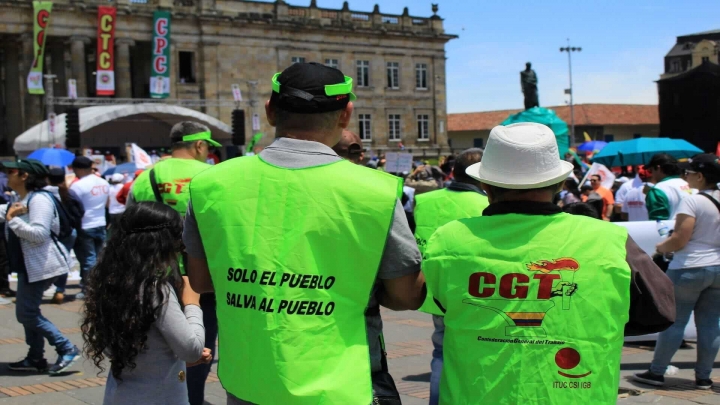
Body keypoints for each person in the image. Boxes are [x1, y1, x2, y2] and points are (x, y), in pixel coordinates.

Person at [184, 62, 425, 405]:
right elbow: (406, 297)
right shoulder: (375, 190)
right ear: (346, 115)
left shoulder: (210, 184)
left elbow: (203, 281)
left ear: (270, 111)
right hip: (343, 384)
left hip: (249, 380)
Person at [422, 123, 675, 404]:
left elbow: (434, 301)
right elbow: (661, 311)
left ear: (485, 186)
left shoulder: (450, 238)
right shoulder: (610, 240)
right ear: (558, 183)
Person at [82, 202, 211, 404]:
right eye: (179, 241)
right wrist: (192, 303)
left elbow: (128, 349)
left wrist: (173, 358)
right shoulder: (156, 289)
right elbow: (191, 350)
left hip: (120, 395)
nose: (180, 249)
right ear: (161, 244)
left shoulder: (109, 281)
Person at [130, 121, 220, 405]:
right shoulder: (212, 176)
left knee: (156, 347)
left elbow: (130, 225)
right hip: (200, 279)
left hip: (153, 276)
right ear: (199, 145)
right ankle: (191, 399)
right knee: (199, 345)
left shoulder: (146, 176)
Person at [634, 154, 720, 390]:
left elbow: (680, 238)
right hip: (718, 268)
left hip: (689, 267)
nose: (686, 176)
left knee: (675, 322)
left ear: (700, 176)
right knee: (711, 324)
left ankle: (656, 371)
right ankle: (703, 377)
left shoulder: (693, 201)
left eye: (689, 173)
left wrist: (661, 247)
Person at [413, 147, 489, 405]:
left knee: (442, 352)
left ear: (454, 172)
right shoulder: (488, 205)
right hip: (478, 292)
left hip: (436, 289)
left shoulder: (423, 201)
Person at [0, 159, 79, 374]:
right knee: (29, 311)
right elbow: (6, 211)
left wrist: (11, 220)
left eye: (10, 171)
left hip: (42, 266)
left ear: (24, 176)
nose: (6, 175)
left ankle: (66, 348)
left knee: (26, 314)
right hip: (31, 266)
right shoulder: (24, 198)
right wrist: (9, 215)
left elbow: (39, 234)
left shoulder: (40, 200)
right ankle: (35, 357)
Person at [70, 156, 110, 299]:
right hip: (100, 223)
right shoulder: (104, 182)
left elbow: (73, 208)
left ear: (78, 169)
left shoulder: (78, 186)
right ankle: (100, 286)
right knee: (99, 259)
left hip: (85, 225)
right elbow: (107, 204)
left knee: (88, 260)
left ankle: (89, 289)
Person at [45, 168, 84, 305]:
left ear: (48, 179)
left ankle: (42, 289)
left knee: (45, 261)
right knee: (63, 262)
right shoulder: (69, 192)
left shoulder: (44, 193)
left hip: (49, 233)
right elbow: (80, 211)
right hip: (68, 232)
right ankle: (59, 290)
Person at [646, 153, 691, 220]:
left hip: (672, 229)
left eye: (651, 170)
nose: (651, 174)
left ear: (658, 168)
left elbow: (657, 222)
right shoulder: (691, 185)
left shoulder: (657, 190)